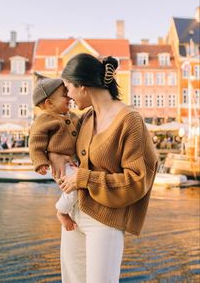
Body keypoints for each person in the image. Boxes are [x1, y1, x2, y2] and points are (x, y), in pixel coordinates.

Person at [48, 53, 158, 283]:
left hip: (105, 220)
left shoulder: (130, 121)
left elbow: (138, 180)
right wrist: (54, 156)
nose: (67, 94)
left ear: (83, 86)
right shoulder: (87, 117)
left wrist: (85, 178)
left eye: (68, 87)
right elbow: (62, 144)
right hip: (74, 215)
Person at [29, 76, 80, 231]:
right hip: (61, 166)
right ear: (49, 103)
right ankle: (62, 212)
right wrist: (40, 162)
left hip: (72, 161)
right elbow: (35, 142)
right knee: (73, 187)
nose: (69, 96)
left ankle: (70, 209)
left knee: (76, 186)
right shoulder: (44, 119)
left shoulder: (72, 116)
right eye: (65, 94)